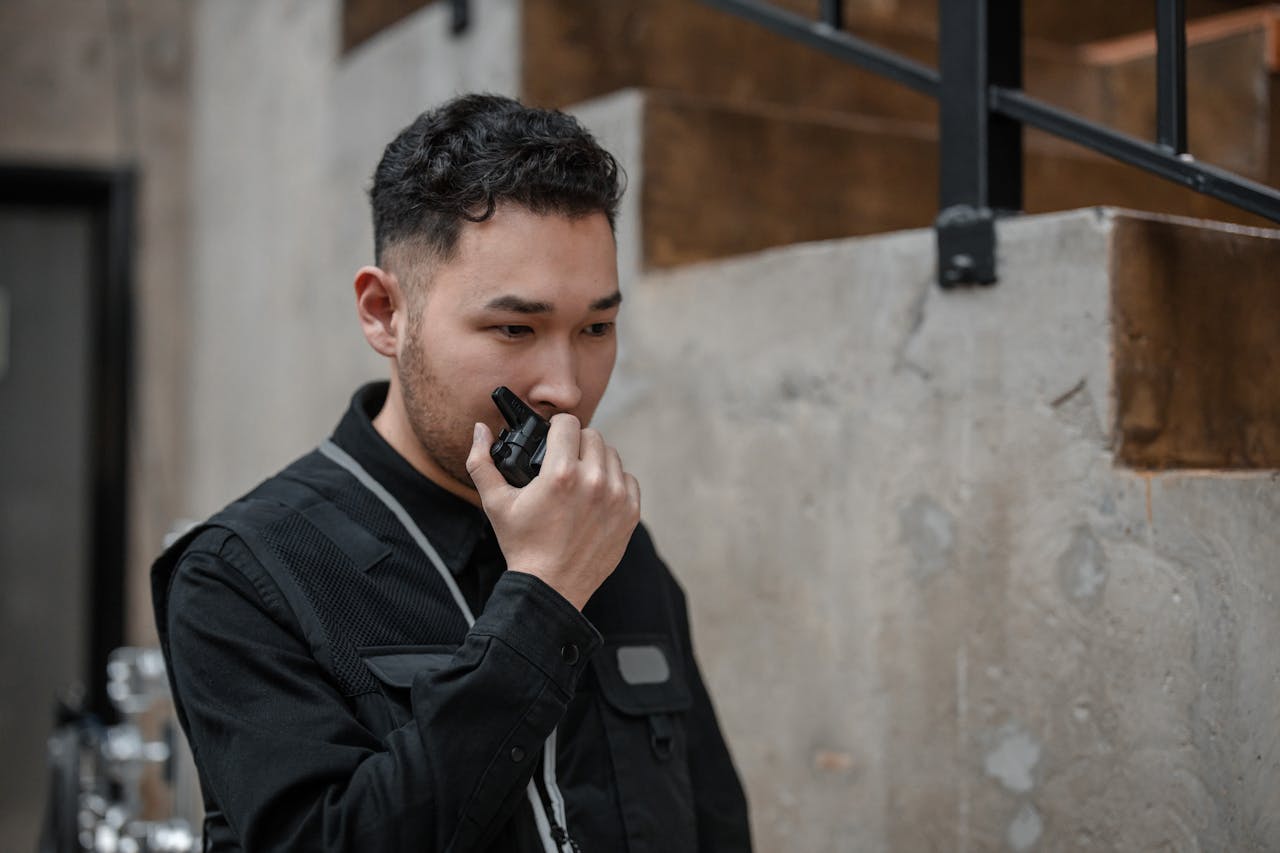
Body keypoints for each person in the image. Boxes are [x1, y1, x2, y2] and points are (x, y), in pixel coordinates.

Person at [152, 93, 752, 852]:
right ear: (383, 312)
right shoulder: (243, 572)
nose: (564, 388)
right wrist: (541, 603)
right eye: (514, 328)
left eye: (597, 327)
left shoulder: (615, 544)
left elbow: (717, 825)